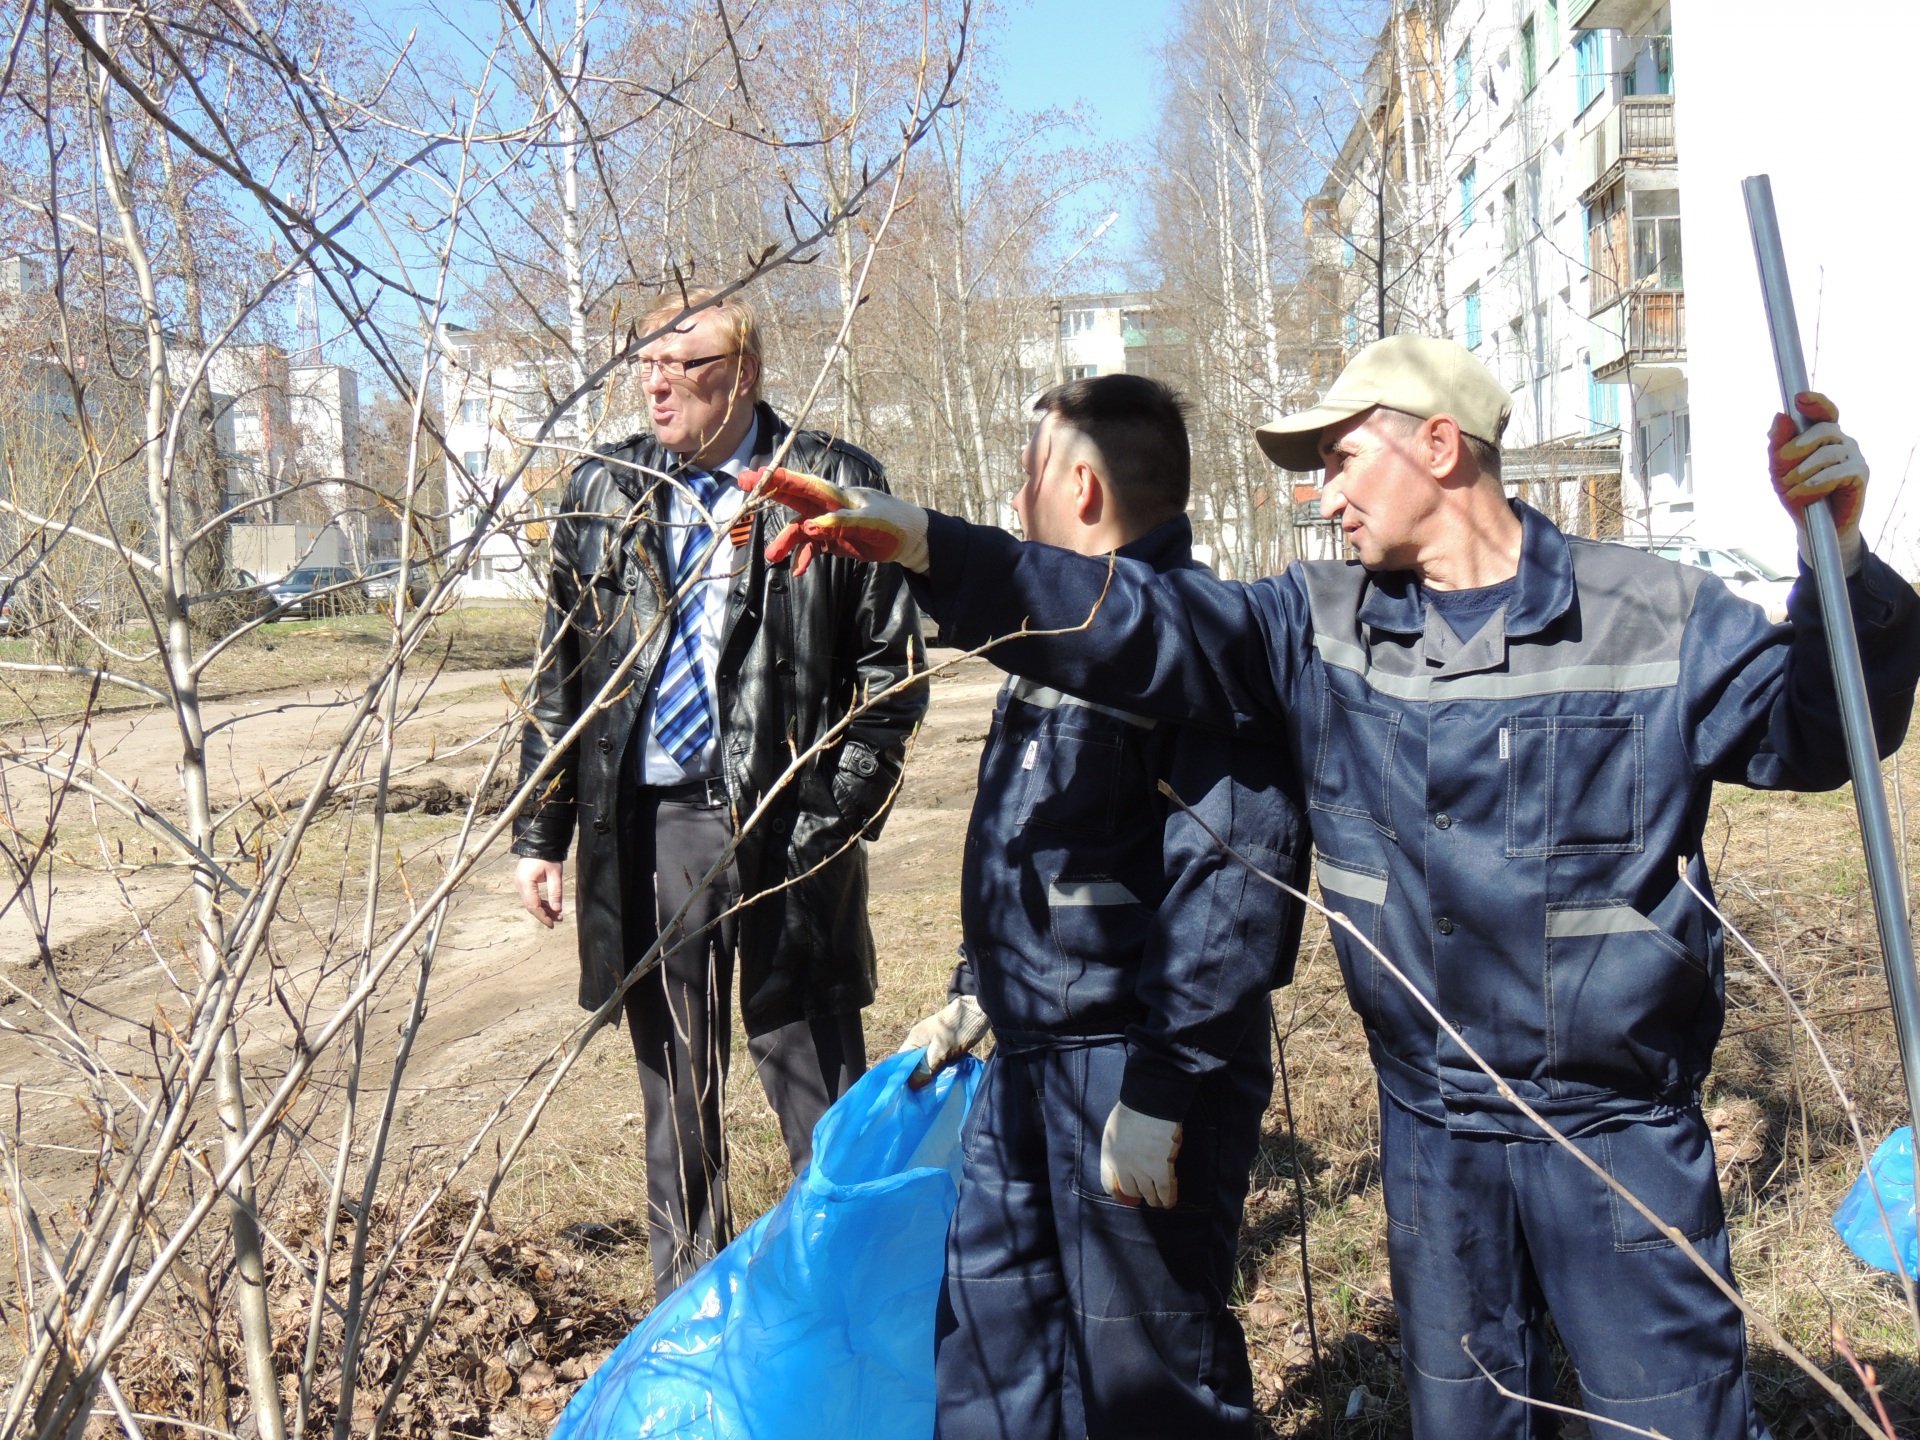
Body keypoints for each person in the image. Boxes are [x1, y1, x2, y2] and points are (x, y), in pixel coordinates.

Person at [750, 336, 1920, 1438]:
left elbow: (1822, 740)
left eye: (1342, 456)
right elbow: (1134, 623)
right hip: (1432, 1139)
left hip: (1614, 1138)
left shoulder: (1652, 614)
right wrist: (927, 545)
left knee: (1671, 1417)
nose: (1324, 493)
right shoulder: (1314, 627)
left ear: (1441, 446)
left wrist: (1846, 565)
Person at [837, 375, 1305, 1439]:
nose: (1014, 501)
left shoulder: (1205, 652)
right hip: (1026, 1054)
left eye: (1027, 476)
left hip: (1129, 1068)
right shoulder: (1052, 649)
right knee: (996, 1351)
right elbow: (1035, 840)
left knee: (1142, 1380)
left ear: (1081, 489)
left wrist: (1165, 1083)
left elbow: (1231, 893)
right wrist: (973, 989)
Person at [511, 288, 927, 1297]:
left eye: (683, 365)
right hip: (654, 834)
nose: (657, 382)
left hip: (789, 827)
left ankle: (840, 1307)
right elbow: (563, 672)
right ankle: (691, 1325)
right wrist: (541, 829)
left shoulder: (829, 485)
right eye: (645, 364)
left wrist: (824, 825)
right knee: (677, 1100)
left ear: (742, 376)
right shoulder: (603, 492)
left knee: (813, 1084)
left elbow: (890, 678)